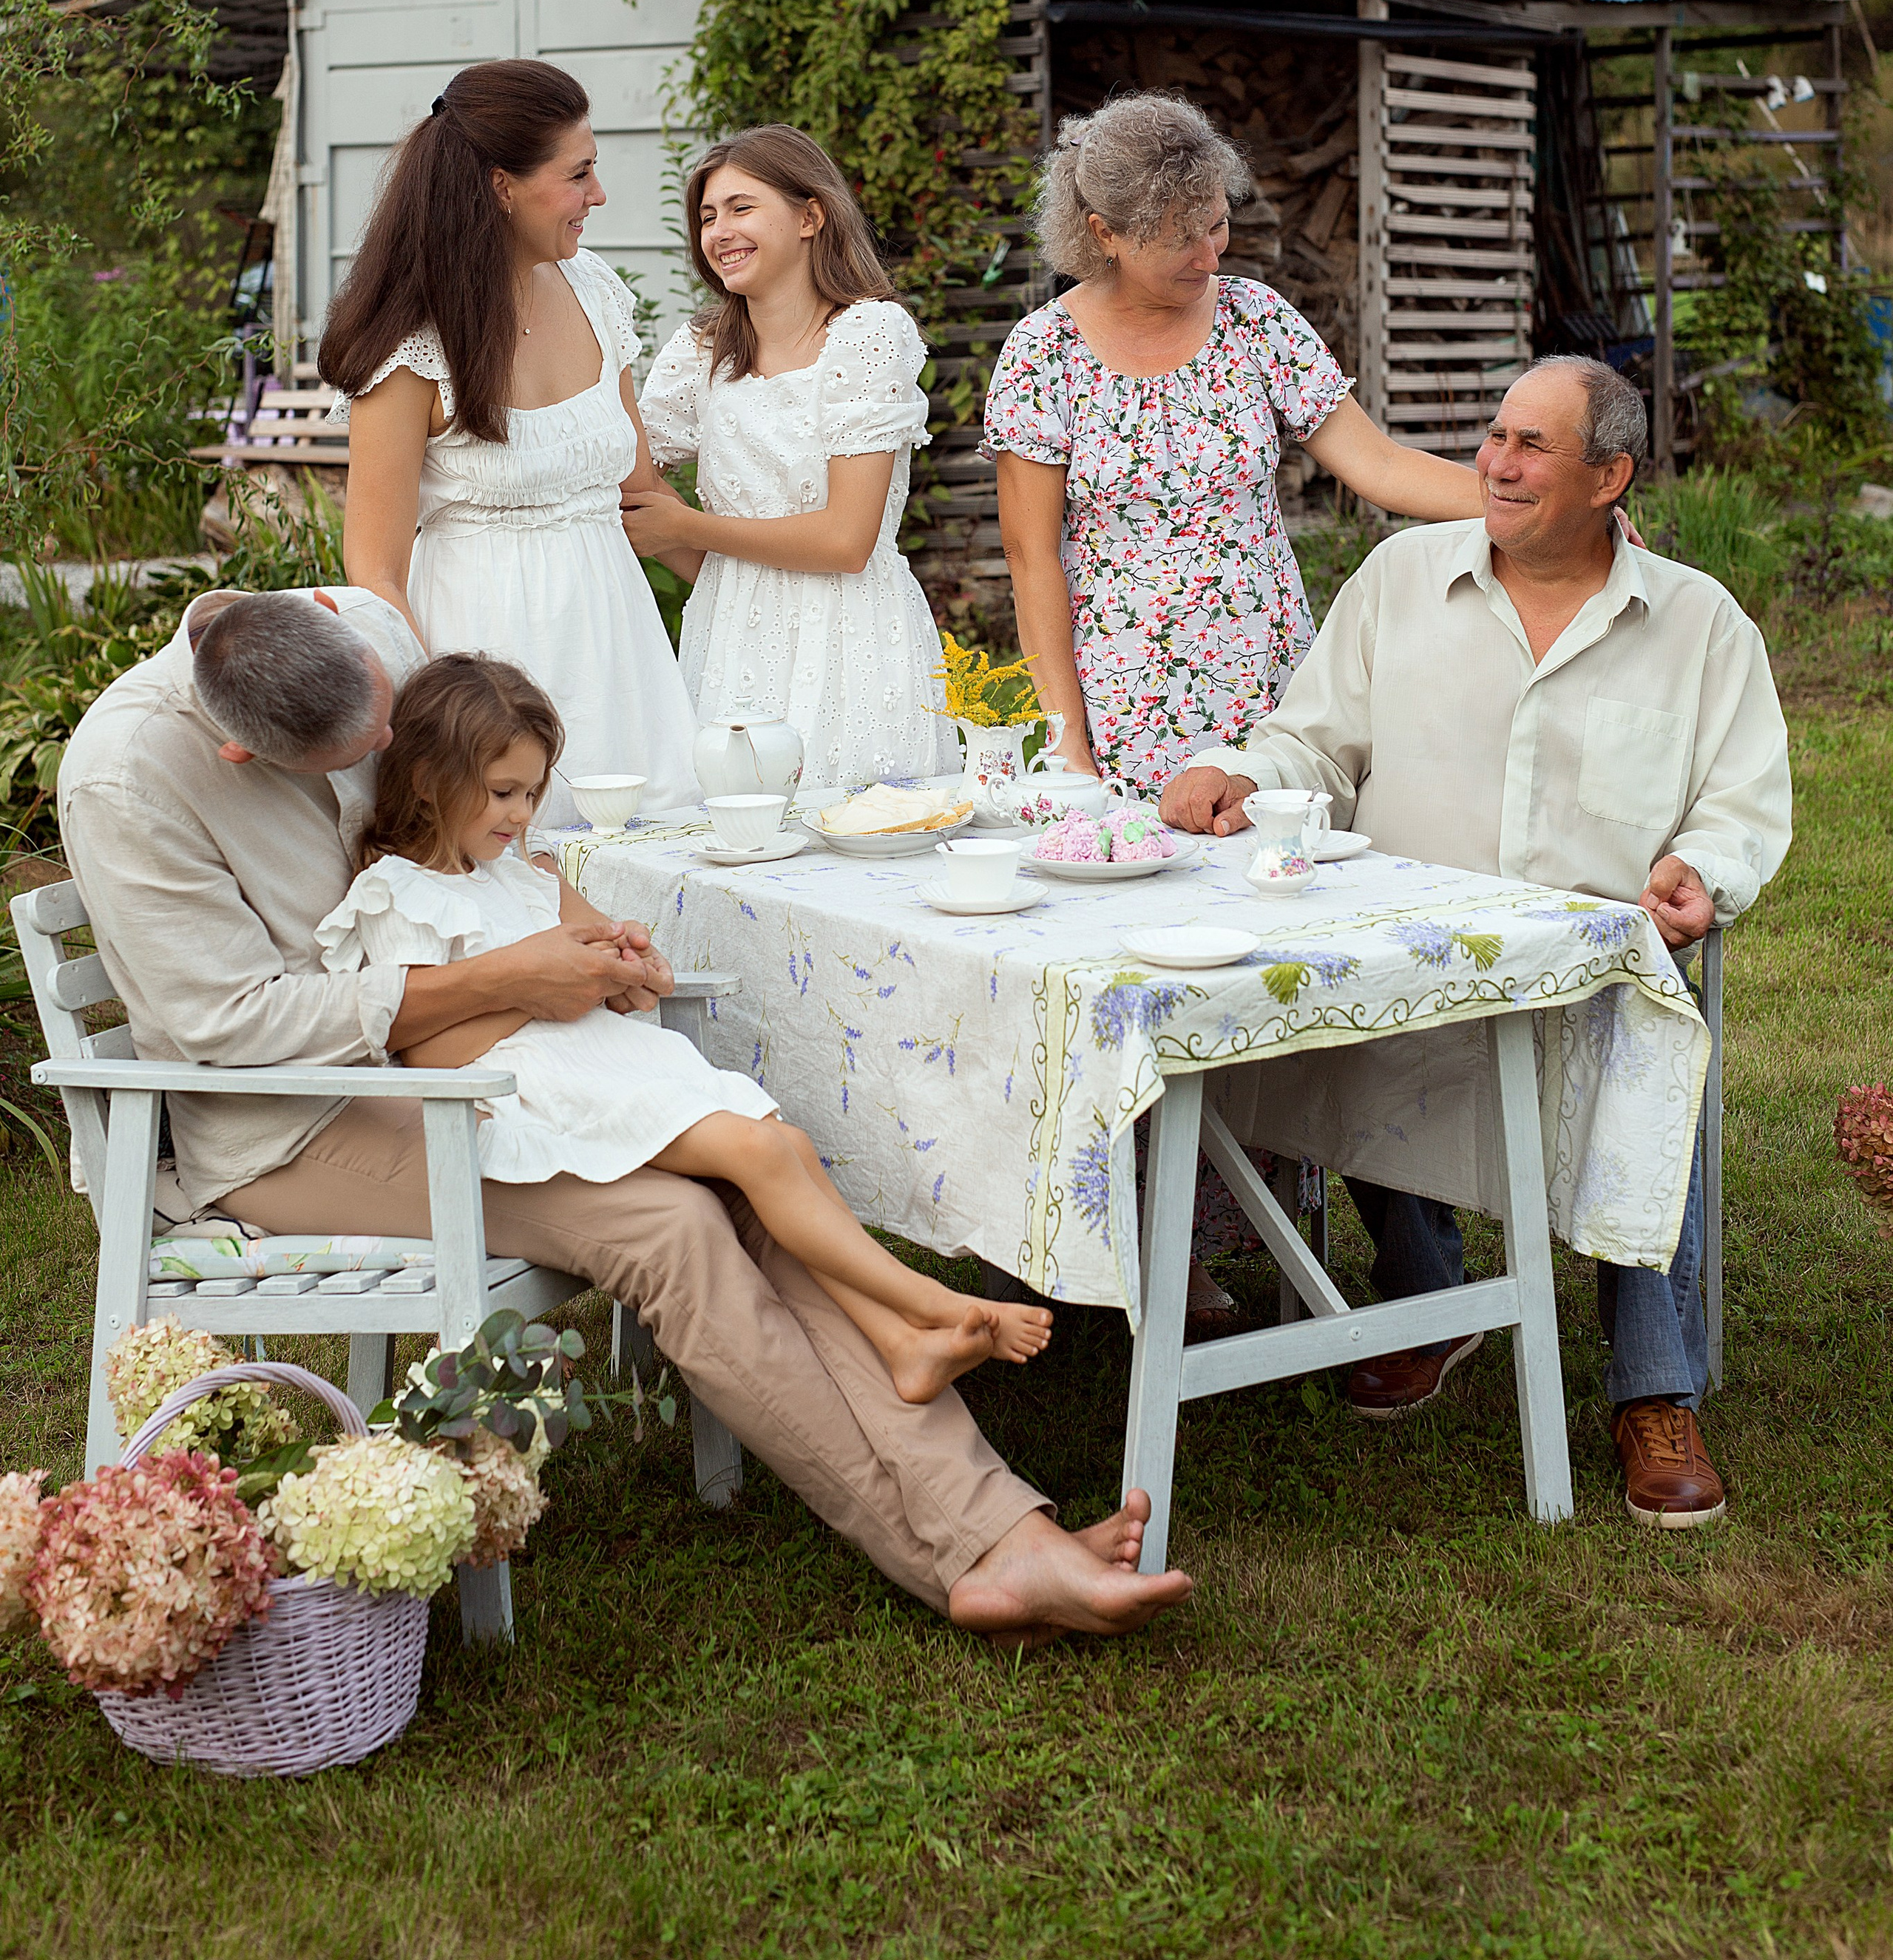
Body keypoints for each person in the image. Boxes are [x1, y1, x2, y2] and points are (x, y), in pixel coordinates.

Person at [57, 586, 1185, 1637]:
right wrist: (507, 979)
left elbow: (474, 839)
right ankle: (958, 1558)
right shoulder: (128, 781)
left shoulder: (363, 632)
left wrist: (568, 937)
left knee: (742, 1177)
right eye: (362, 755)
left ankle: (994, 1526)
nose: (389, 752)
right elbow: (230, 1027)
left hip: (483, 1067)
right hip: (293, 1124)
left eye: (390, 718)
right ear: (242, 753)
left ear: (335, 623)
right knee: (675, 1225)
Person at [1159, 355, 1793, 1527]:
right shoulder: (1400, 580)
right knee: (1351, 1021)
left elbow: (1742, 801)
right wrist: (1241, 772)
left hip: (1594, 967)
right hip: (1413, 955)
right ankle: (1428, 1305)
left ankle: (1656, 1390)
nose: (1496, 463)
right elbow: (1313, 742)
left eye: (1531, 445)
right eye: (1495, 436)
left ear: (1610, 477)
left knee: (1645, 1069)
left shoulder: (1700, 622)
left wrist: (1702, 871)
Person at [322, 649, 1054, 1404]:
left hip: (612, 1061)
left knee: (787, 1142)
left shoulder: (527, 874)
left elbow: (610, 957)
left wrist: (631, 963)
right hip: (534, 1095)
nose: (521, 814)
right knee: (758, 1151)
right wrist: (547, 991)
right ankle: (933, 1303)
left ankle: (902, 1344)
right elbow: (432, 1050)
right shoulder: (397, 893)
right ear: (426, 780)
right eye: (503, 792)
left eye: (533, 793)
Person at [983, 92, 1486, 802]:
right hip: (1127, 705)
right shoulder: (1043, 354)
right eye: (1180, 238)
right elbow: (1030, 555)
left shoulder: (1257, 320)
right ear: (1105, 234)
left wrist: (1531, 506)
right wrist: (1068, 741)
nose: (1210, 253)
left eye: (1216, 223)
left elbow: (1379, 465)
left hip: (1270, 688)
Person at [319, 58, 700, 825]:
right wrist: (450, 721)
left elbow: (642, 492)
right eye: (579, 174)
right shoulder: (411, 344)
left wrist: (756, 601)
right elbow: (376, 571)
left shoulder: (596, 290)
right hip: (489, 661)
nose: (599, 194)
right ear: (501, 187)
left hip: (620, 652)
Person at [624, 126, 959, 793]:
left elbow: (847, 540)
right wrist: (726, 579)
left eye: (741, 207)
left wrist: (687, 527)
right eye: (707, 216)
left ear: (811, 216)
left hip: (855, 638)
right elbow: (630, 477)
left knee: (866, 827)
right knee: (730, 828)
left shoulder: (868, 333)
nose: (719, 231)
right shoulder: (700, 350)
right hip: (731, 644)